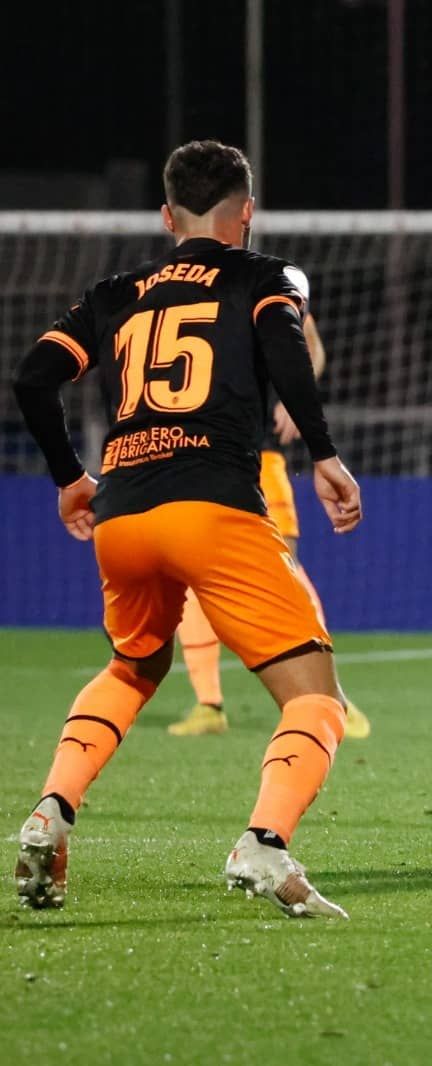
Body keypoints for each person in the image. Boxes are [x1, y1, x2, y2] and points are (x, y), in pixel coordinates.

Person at [11, 140, 362, 917]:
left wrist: (71, 478)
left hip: (122, 513)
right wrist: (325, 454)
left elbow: (33, 377)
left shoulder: (115, 293)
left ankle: (51, 811)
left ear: (168, 217)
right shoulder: (260, 276)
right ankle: (264, 842)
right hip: (213, 506)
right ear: (248, 212)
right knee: (316, 700)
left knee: (133, 667)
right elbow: (285, 349)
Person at [168, 289, 372, 739]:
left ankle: (334, 699)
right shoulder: (177, 292)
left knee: (284, 570)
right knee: (190, 575)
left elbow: (310, 341)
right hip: (198, 460)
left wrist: (297, 397)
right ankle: (208, 704)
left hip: (259, 457)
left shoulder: (262, 283)